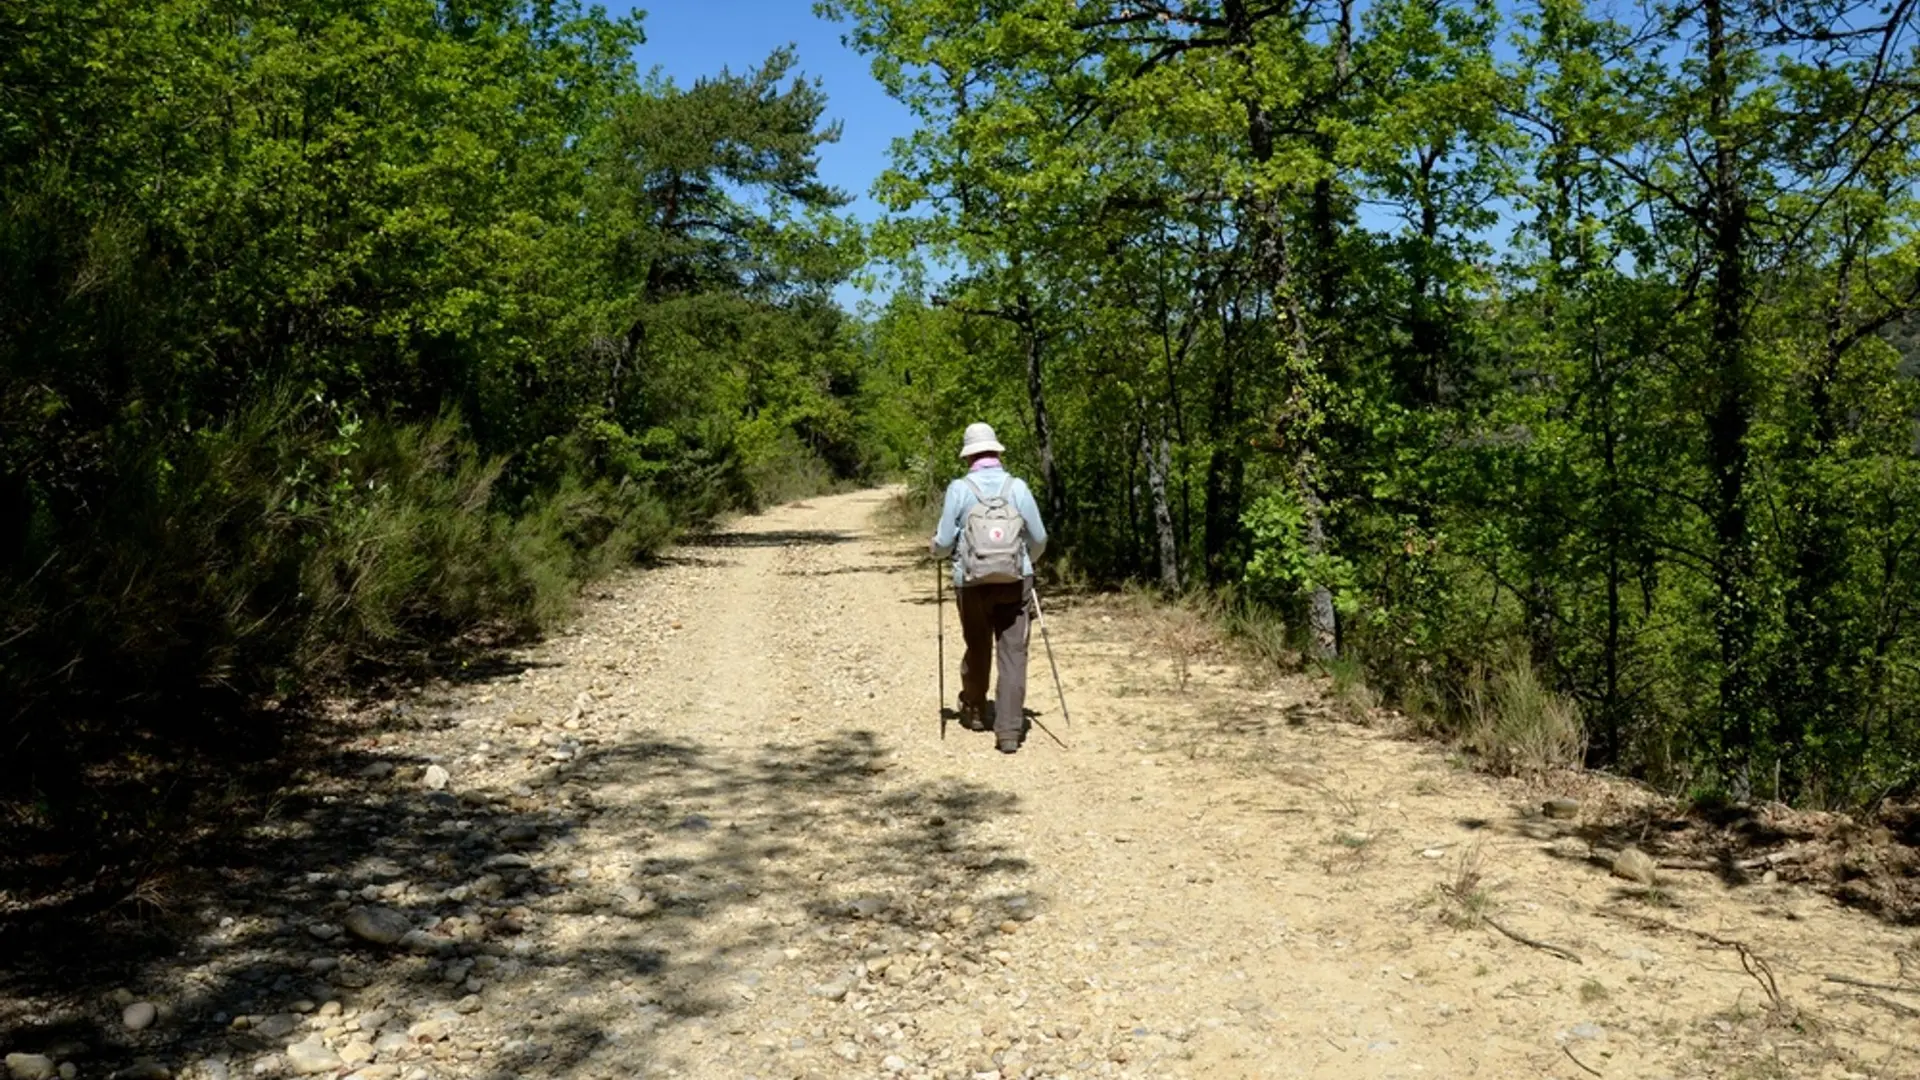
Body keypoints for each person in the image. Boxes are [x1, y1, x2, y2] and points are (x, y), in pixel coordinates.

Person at [930, 422, 1049, 754]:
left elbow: (943, 542)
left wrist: (935, 551)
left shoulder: (960, 489)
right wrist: (1027, 563)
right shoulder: (1018, 487)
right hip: (1016, 580)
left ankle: (975, 710)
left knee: (977, 645)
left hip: (971, 582)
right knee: (1013, 653)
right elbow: (1039, 538)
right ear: (997, 452)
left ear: (968, 456)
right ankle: (1009, 731)